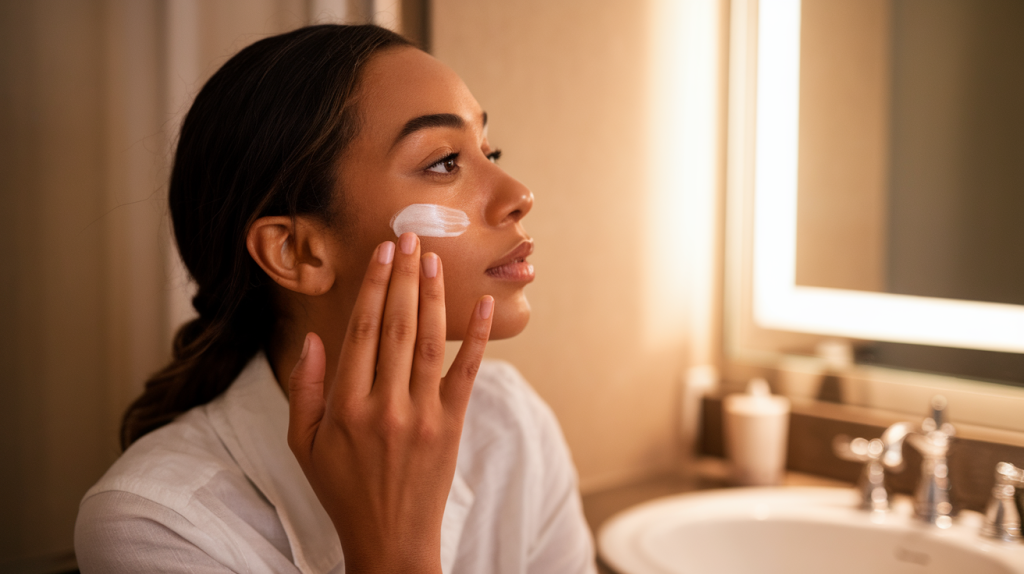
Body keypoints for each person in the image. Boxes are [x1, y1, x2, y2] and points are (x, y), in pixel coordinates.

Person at [74, 24, 596, 574]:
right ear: (298, 252)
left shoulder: (512, 424)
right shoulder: (152, 523)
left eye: (489, 149)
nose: (519, 195)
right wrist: (394, 549)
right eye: (444, 161)